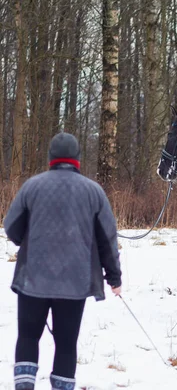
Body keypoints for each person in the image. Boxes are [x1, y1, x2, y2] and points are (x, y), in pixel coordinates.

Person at [3, 132, 122, 390]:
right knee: (66, 343)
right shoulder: (94, 192)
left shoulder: (32, 186)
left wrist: (31, 240)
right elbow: (107, 238)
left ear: (51, 158)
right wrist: (114, 277)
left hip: (33, 279)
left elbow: (11, 227)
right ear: (78, 158)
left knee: (27, 336)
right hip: (75, 283)